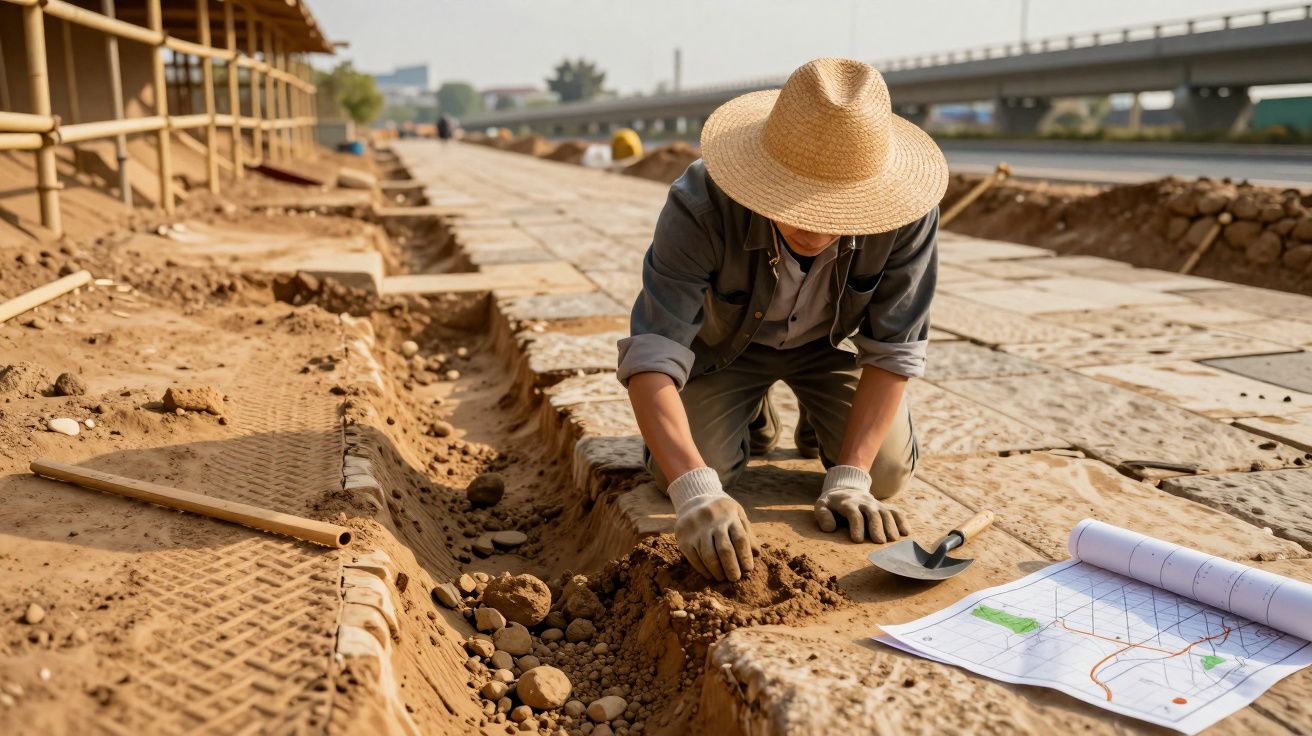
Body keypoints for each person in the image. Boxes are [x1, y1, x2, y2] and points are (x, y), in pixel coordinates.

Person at [617, 58, 948, 582]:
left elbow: (894, 349)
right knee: (673, 471)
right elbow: (653, 353)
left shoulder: (906, 215)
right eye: (793, 201)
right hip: (728, 348)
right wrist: (694, 490)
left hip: (829, 348)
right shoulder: (699, 204)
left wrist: (850, 477)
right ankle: (752, 409)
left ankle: (820, 421)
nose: (815, 229)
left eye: (838, 211)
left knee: (883, 475)